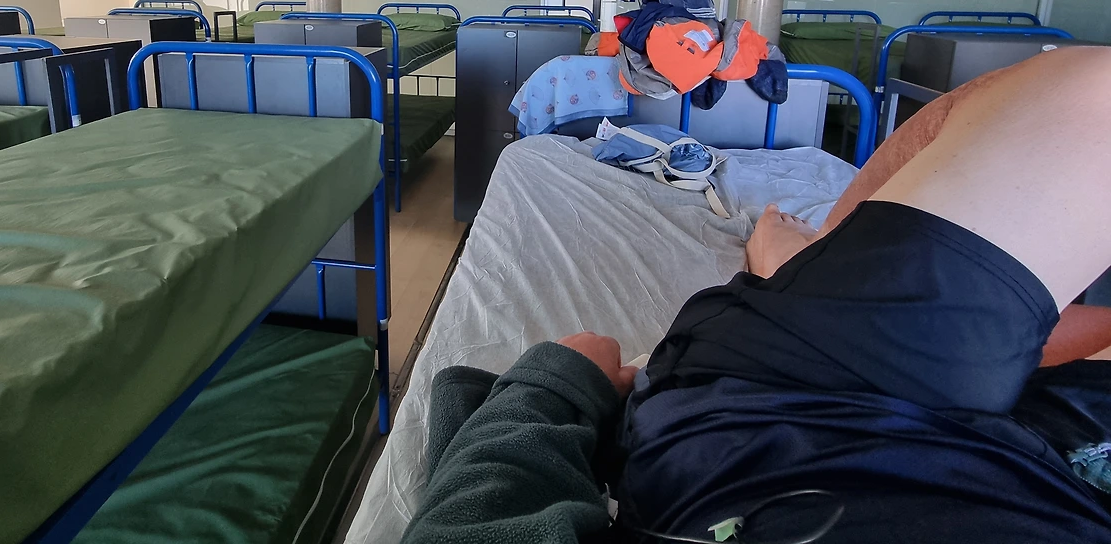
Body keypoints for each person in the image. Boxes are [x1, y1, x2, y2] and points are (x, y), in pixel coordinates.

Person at [400, 46, 1111, 543]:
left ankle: (814, 267)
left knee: (1086, 90)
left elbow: (479, 516)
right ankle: (812, 269)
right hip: (1025, 476)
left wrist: (555, 385)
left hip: (773, 424)